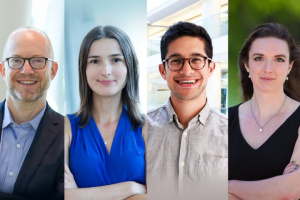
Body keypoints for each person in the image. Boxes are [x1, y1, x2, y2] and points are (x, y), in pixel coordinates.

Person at [147, 21, 228, 199]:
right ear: (163, 70)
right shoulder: (140, 130)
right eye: (176, 61)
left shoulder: (233, 133)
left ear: (211, 68)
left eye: (196, 60)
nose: (187, 70)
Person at [64, 26, 146, 200]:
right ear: (83, 70)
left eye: (116, 60)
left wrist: (79, 195)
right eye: (94, 61)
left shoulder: (149, 129)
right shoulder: (65, 127)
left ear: (130, 66)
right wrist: (132, 188)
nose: (106, 71)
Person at [228, 22, 300, 200]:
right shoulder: (223, 120)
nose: (268, 69)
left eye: (279, 59)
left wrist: (229, 186)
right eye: (259, 58)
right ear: (247, 65)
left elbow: (291, 191)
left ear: (289, 67)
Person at [0, 27, 63, 200]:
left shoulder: (72, 136)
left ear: (53, 70)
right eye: (16, 60)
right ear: (3, 70)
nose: (26, 70)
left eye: (37, 60)